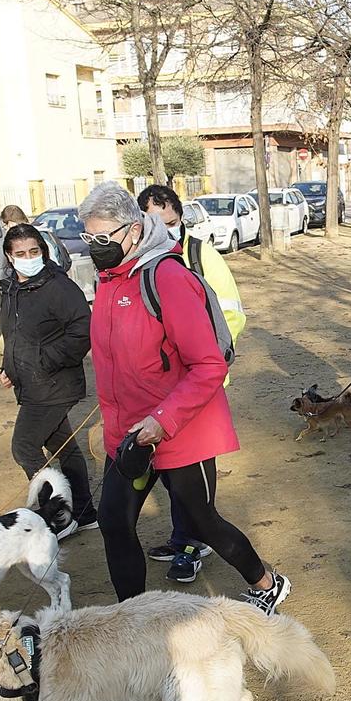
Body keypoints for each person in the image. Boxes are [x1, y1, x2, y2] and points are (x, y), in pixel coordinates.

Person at [79, 183, 290, 613]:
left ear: (134, 230)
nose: (96, 247)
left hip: (181, 430)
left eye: (104, 238)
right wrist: (109, 420)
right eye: (89, 238)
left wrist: (163, 420)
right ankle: (133, 622)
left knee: (200, 520)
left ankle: (267, 582)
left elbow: (209, 365)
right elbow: (115, 366)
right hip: (130, 433)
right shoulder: (107, 282)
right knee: (114, 522)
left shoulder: (168, 278)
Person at [136, 183, 249, 580]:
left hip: (199, 387)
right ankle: (184, 535)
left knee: (195, 473)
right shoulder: (139, 263)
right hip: (159, 391)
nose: (161, 231)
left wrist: (209, 361)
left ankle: (191, 543)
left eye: (168, 223)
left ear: (179, 217)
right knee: (172, 471)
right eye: (152, 224)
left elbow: (232, 312)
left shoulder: (200, 254)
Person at [0, 222, 97, 528]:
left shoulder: (58, 286)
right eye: (21, 252)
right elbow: (13, 333)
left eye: (34, 250)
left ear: (43, 250)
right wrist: (9, 367)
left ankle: (57, 516)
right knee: (64, 446)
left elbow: (83, 331)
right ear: (9, 257)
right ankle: (84, 512)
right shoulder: (13, 287)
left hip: (52, 384)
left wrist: (43, 361)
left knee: (24, 447)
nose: (29, 257)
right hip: (30, 381)